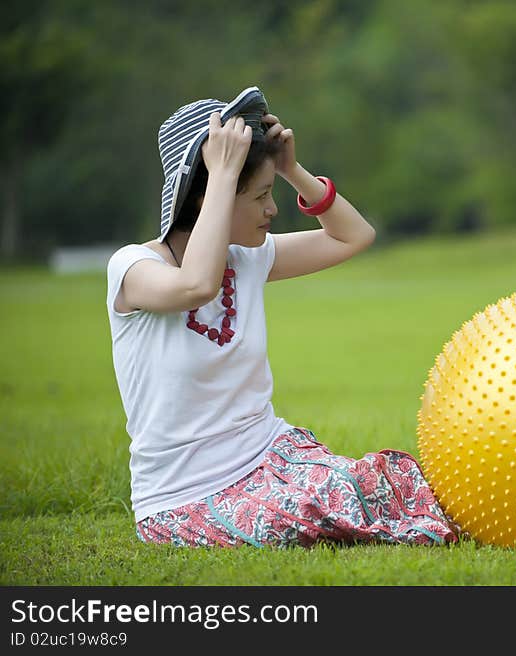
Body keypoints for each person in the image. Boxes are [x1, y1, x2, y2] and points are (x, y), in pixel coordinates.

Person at [106, 86, 457, 547]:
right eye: (261, 196)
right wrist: (224, 174)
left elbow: (352, 237)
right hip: (185, 495)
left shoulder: (247, 259)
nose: (273, 210)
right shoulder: (132, 268)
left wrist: (292, 170)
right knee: (305, 515)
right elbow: (195, 285)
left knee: (364, 485)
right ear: (208, 197)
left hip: (271, 455)